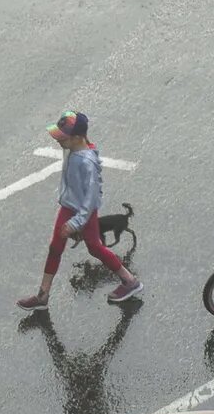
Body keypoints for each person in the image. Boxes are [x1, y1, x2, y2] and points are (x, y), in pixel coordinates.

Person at [18, 111, 144, 311]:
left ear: (77, 138)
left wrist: (76, 223)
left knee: (95, 247)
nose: (58, 141)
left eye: (62, 137)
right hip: (68, 206)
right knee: (55, 247)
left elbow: (91, 199)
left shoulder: (87, 163)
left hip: (81, 213)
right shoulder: (73, 148)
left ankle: (130, 281)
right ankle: (43, 295)